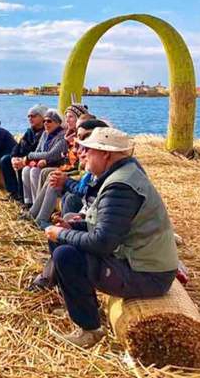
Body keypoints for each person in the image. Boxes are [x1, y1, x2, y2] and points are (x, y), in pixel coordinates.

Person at [44, 127, 179, 348]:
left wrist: (63, 233)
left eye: (89, 149)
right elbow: (108, 225)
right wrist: (72, 226)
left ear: (106, 154)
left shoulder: (121, 186)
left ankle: (90, 329)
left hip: (148, 273)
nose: (83, 153)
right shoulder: (119, 175)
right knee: (60, 241)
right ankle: (80, 305)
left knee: (65, 254)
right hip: (135, 260)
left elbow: (103, 242)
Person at [27, 119, 107, 229]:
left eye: (49, 120)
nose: (81, 152)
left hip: (81, 179)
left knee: (58, 182)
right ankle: (33, 214)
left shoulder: (109, 174)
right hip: (80, 178)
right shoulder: (48, 135)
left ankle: (41, 219)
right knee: (53, 175)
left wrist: (67, 181)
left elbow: (54, 155)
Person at [18, 109, 67, 208]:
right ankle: (29, 202)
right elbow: (38, 150)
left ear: (57, 122)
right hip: (45, 162)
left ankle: (37, 204)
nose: (45, 123)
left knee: (35, 172)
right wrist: (34, 160)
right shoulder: (45, 134)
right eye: (44, 121)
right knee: (26, 170)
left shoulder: (62, 136)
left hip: (57, 164)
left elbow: (52, 154)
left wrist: (30, 156)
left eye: (49, 121)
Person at [1, 104, 47, 202]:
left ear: (42, 117)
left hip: (32, 159)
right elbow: (18, 146)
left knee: (23, 167)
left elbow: (37, 150)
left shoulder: (45, 132)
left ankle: (23, 198)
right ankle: (14, 192)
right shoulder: (30, 131)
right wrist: (13, 157)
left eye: (33, 116)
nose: (30, 118)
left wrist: (23, 160)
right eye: (29, 116)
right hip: (22, 157)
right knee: (5, 160)